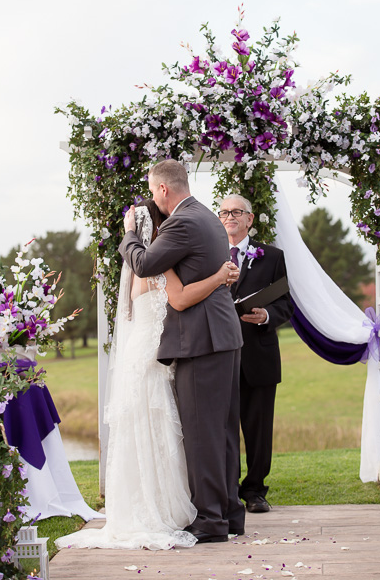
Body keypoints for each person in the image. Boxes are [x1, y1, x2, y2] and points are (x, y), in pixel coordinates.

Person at [55, 199, 240, 551]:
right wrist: (219, 275)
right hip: (157, 357)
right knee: (185, 433)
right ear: (158, 232)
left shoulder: (161, 262)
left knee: (182, 434)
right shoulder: (159, 268)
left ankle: (196, 509)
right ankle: (189, 509)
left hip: (164, 354)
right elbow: (181, 298)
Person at [119, 160, 245, 543]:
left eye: (153, 191)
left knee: (203, 431)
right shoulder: (205, 215)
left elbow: (143, 263)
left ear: (162, 190)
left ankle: (210, 520)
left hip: (202, 341)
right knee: (222, 429)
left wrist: (128, 234)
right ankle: (230, 513)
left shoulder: (181, 222)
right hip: (221, 336)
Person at [219, 194, 293, 514]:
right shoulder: (208, 255)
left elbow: (286, 303)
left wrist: (266, 316)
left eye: (237, 212)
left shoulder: (273, 257)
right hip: (218, 355)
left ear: (250, 219)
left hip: (259, 354)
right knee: (222, 427)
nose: (229, 217)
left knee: (259, 429)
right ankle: (226, 489)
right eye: (223, 212)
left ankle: (255, 490)